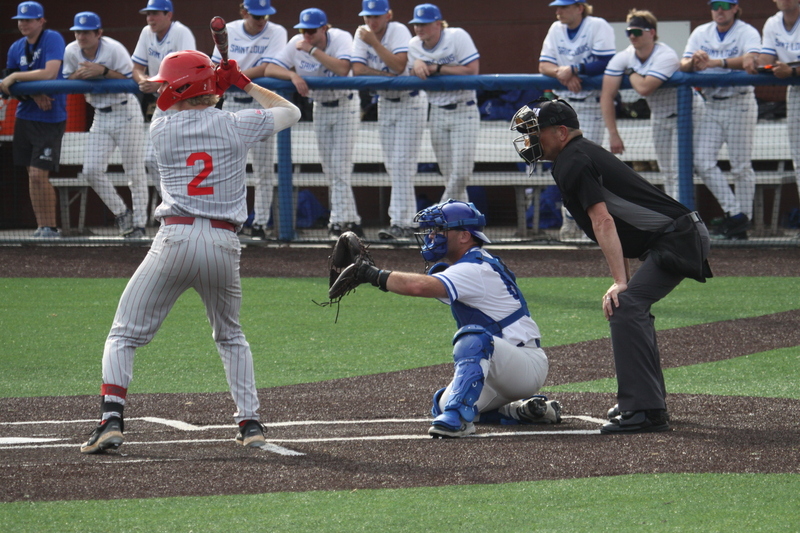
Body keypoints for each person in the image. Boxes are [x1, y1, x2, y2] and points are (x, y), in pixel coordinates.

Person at [80, 50, 301, 454]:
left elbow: (184, 106)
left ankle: (110, 419)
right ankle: (250, 423)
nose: (161, 89)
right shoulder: (236, 123)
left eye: (167, 83)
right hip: (223, 243)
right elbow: (291, 112)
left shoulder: (160, 127)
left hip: (175, 240)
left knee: (123, 334)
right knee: (230, 335)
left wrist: (216, 83)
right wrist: (242, 82)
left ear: (180, 88)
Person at [511, 98, 712, 434]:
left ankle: (644, 408)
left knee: (625, 305)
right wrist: (623, 280)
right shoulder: (575, 155)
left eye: (536, 132)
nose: (531, 140)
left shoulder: (574, 160)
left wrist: (620, 281)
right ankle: (648, 400)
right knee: (630, 305)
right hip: (676, 235)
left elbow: (603, 221)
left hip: (678, 238)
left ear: (561, 132)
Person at [350, 199, 560, 438]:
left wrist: (371, 274)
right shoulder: (471, 264)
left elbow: (418, 286)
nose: (432, 235)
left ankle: (459, 421)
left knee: (472, 339)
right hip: (498, 368)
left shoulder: (474, 269)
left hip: (523, 364)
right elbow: (426, 283)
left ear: (464, 236)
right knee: (442, 404)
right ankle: (519, 411)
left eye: (440, 229)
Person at [264, 7, 363, 239]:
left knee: (339, 167)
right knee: (330, 169)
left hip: (345, 105)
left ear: (324, 28)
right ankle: (353, 221)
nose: (306, 35)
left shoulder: (340, 38)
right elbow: (269, 68)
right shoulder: (296, 42)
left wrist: (312, 50)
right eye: (304, 31)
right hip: (321, 107)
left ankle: (337, 222)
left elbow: (343, 68)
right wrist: (292, 75)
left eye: (311, 31)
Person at [62, 11, 148, 238]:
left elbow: (132, 79)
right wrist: (82, 74)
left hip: (125, 111)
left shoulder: (114, 49)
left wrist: (103, 72)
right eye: (78, 32)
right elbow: (65, 80)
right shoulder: (71, 51)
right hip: (100, 115)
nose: (81, 37)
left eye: (86, 32)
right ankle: (122, 213)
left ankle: (139, 225)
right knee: (90, 170)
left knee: (134, 171)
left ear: (98, 33)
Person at [680, 0, 760, 240]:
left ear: (735, 8)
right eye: (715, 5)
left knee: (740, 165)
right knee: (702, 161)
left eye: (725, 5)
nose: (720, 10)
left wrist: (717, 62)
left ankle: (742, 220)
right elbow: (683, 65)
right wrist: (693, 62)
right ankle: (736, 214)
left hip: (740, 102)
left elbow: (752, 59)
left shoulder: (746, 31)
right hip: (712, 104)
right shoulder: (701, 32)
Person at [539, 0, 615, 242]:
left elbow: (606, 61)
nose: (558, 11)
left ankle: (583, 223)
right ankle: (571, 219)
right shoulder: (556, 28)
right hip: (563, 104)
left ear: (579, 7)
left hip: (591, 103)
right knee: (563, 163)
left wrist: (575, 69)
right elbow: (543, 65)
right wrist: (562, 72)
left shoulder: (597, 25)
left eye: (564, 6)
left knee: (584, 164)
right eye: (557, 7)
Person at [351, 0, 427, 242]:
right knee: (393, 165)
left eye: (376, 16)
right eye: (368, 16)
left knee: (402, 162)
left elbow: (398, 65)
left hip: (409, 101)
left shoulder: (398, 30)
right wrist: (386, 77)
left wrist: (374, 43)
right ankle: (409, 223)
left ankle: (399, 223)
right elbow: (358, 70)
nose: (371, 21)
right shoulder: (361, 33)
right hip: (385, 102)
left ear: (388, 15)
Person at [211, 0, 287, 240]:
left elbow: (267, 68)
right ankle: (232, 221)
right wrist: (233, 77)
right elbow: (215, 67)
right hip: (233, 104)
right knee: (230, 167)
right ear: (244, 12)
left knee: (263, 170)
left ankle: (260, 225)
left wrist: (234, 76)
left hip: (260, 102)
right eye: (256, 15)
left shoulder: (277, 31)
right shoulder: (231, 30)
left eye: (265, 15)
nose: (262, 20)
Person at [0, 1, 66, 238]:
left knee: (39, 174)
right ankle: (42, 227)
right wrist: (34, 93)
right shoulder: (16, 47)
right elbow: (7, 83)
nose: (23, 24)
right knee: (32, 175)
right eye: (20, 20)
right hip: (24, 116)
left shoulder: (52, 38)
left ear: (41, 21)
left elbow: (50, 72)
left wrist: (17, 77)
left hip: (50, 117)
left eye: (28, 20)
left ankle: (51, 227)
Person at [600, 9, 681, 200]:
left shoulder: (666, 55)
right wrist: (613, 134)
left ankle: (733, 211)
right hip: (659, 116)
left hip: (687, 115)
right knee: (667, 170)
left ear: (651, 32)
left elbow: (644, 88)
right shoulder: (625, 56)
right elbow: (606, 95)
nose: (632, 37)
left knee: (693, 167)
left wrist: (630, 73)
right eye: (629, 32)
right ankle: (678, 213)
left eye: (637, 32)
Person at [407, 3, 480, 204]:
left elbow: (472, 70)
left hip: (463, 108)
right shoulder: (414, 45)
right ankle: (461, 220)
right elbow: (412, 73)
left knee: (461, 173)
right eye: (416, 24)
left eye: (424, 24)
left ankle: (439, 211)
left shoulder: (457, 36)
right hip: (437, 112)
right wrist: (416, 65)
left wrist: (437, 68)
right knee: (449, 176)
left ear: (438, 24)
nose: (419, 28)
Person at [131, 0, 196, 198]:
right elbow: (136, 69)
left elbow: (190, 72)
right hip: (163, 104)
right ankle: (173, 203)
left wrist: (159, 83)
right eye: (148, 14)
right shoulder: (146, 32)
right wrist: (143, 80)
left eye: (155, 13)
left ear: (169, 15)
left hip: (185, 103)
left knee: (184, 159)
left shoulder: (181, 32)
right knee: (151, 159)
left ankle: (188, 204)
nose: (150, 18)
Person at [757, 0, 800, 238]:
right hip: (795, 91)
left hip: (794, 78)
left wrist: (792, 71)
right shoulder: (773, 23)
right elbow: (766, 58)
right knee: (799, 159)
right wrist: (756, 63)